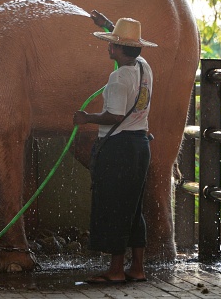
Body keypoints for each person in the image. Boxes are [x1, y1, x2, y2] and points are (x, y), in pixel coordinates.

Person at [73, 16, 157, 284]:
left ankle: (116, 270)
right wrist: (108, 25)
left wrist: (86, 118)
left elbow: (114, 116)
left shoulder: (119, 78)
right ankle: (138, 268)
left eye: (113, 45)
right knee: (133, 207)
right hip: (140, 146)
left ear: (120, 50)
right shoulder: (145, 67)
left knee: (114, 207)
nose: (109, 49)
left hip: (119, 148)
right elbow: (128, 45)